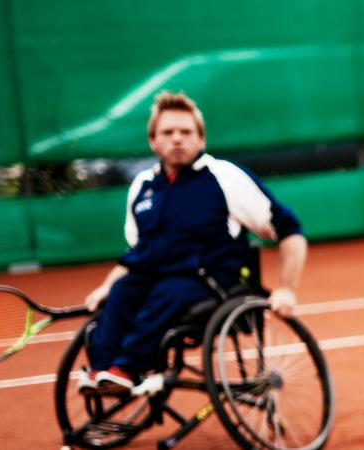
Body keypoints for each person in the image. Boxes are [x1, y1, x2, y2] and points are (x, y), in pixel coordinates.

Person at [79, 91, 307, 396]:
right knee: (122, 291)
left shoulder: (224, 177)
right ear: (153, 141)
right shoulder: (143, 187)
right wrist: (107, 286)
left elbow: (290, 230)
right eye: (168, 132)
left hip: (211, 284)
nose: (177, 139)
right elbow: (136, 254)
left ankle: (126, 369)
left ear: (201, 140)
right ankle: (101, 371)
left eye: (186, 132)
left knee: (166, 292)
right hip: (156, 278)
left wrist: (286, 288)